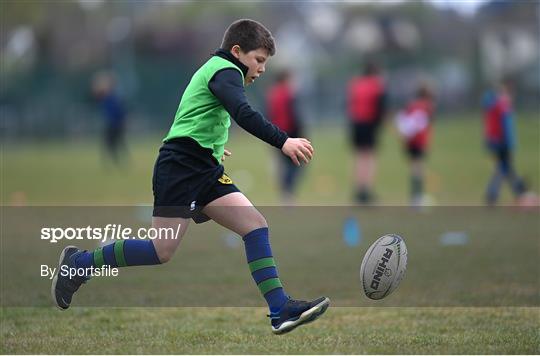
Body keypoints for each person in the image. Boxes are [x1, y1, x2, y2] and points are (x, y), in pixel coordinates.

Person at [52, 19, 329, 335]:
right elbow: (243, 113)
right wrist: (284, 140)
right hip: (181, 169)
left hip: (203, 168)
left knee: (255, 225)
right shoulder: (226, 71)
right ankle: (80, 264)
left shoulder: (220, 71)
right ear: (237, 52)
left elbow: (193, 114)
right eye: (259, 60)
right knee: (161, 251)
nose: (262, 69)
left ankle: (279, 308)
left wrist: (211, 146)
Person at [347, 62, 387, 204]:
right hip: (369, 124)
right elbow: (381, 107)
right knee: (369, 157)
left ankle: (358, 189)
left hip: (355, 123)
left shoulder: (356, 84)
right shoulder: (377, 85)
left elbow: (350, 104)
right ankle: (367, 190)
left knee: (359, 157)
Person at [482, 81, 528, 206]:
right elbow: (506, 127)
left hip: (494, 141)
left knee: (505, 168)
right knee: (504, 168)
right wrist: (510, 144)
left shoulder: (492, 104)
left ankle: (518, 190)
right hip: (503, 143)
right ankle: (498, 193)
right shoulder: (503, 106)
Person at [266, 69, 305, 205]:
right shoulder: (288, 94)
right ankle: (288, 193)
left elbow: (268, 113)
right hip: (290, 134)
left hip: (274, 133)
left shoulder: (272, 93)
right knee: (296, 163)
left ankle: (284, 193)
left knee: (282, 164)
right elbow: (294, 115)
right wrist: (301, 134)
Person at [395, 84, 435, 207]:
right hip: (418, 141)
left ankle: (416, 197)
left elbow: (400, 119)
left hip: (410, 142)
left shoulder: (410, 105)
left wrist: (403, 136)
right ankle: (417, 198)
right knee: (418, 169)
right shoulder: (425, 107)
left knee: (415, 168)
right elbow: (418, 124)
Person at [92, 71, 129, 166]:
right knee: (111, 144)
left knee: (116, 144)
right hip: (112, 124)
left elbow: (120, 112)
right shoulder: (107, 97)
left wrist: (122, 122)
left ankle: (120, 162)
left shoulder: (114, 97)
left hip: (115, 124)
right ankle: (115, 162)